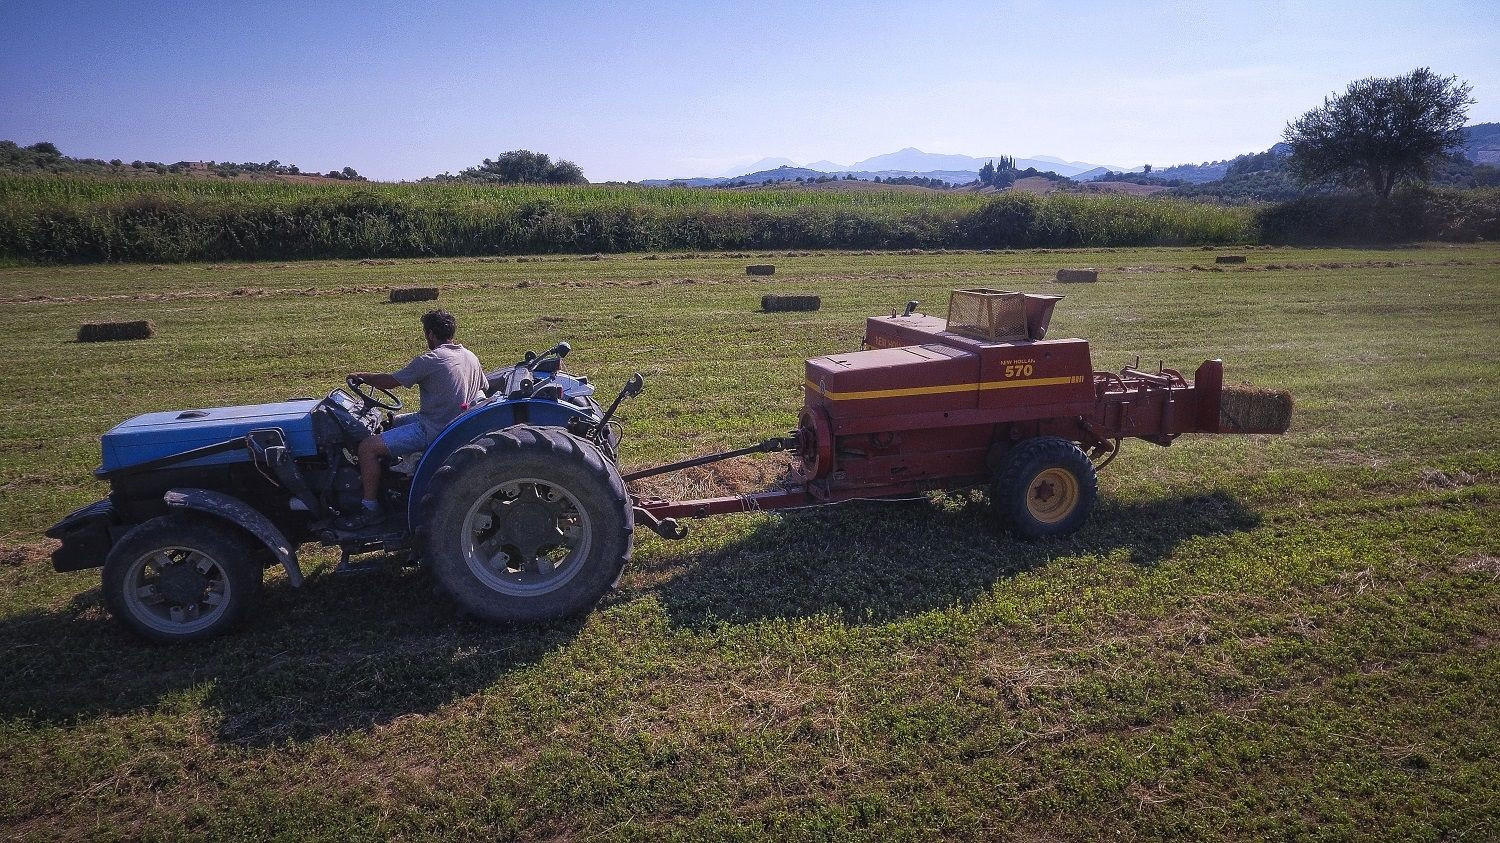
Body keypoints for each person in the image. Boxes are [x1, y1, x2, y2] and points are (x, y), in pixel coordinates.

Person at [339, 309, 487, 529]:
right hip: (453, 424)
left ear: (430, 334)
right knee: (390, 423)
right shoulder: (470, 356)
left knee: (367, 448)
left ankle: (369, 508)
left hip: (433, 429)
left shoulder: (431, 359)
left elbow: (390, 381)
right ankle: (393, 475)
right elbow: (484, 386)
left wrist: (362, 376)